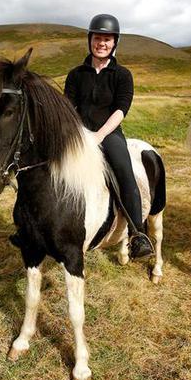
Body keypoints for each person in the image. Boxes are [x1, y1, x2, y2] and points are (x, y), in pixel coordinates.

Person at [64, 14, 154, 259]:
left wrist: (99, 135)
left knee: (125, 173)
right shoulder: (75, 74)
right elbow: (68, 108)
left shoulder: (122, 75)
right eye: (97, 38)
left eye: (107, 39)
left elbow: (120, 109)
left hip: (110, 134)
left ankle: (137, 234)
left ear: (115, 43)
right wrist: (81, 135)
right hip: (79, 134)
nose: (101, 43)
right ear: (90, 40)